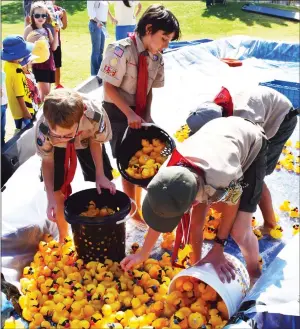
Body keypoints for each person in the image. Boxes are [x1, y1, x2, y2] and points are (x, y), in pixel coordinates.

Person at [121, 116, 268, 283]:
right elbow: (165, 210)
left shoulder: (221, 179)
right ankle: (196, 263)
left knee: (239, 231)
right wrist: (143, 253)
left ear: (192, 203)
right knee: (198, 221)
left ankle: (255, 275)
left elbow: (234, 200)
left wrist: (218, 247)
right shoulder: (166, 172)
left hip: (250, 141)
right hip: (214, 140)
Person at [98, 4, 180, 225]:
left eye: (169, 40)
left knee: (144, 157)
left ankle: (143, 204)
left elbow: (149, 87)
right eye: (164, 38)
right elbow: (109, 88)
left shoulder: (157, 58)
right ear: (149, 29)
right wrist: (128, 114)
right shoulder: (120, 50)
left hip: (139, 112)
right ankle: (133, 211)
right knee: (126, 161)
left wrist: (147, 114)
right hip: (117, 111)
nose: (166, 45)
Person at [184, 86, 298, 233]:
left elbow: (256, 150)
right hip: (261, 111)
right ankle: (235, 215)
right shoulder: (210, 112)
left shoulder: (244, 120)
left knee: (255, 176)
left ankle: (270, 223)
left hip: (282, 118)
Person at [36, 89, 116, 242]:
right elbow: (47, 161)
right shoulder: (43, 128)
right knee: (56, 190)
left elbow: (95, 141)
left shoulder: (94, 116)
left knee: (103, 181)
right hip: (56, 148)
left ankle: (104, 229)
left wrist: (100, 174)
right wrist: (50, 198)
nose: (63, 138)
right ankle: (64, 238)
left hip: (86, 138)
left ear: (80, 119)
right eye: (58, 134)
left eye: (67, 135)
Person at [24, 1, 59, 101]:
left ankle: (39, 113)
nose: (40, 18)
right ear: (32, 16)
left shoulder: (47, 30)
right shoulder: (29, 29)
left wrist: (56, 32)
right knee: (46, 93)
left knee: (43, 94)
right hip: (37, 64)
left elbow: (54, 48)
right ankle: (42, 114)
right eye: (37, 15)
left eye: (43, 15)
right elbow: (24, 47)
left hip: (49, 63)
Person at [1, 35, 35, 134]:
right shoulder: (16, 71)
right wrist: (25, 112)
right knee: (25, 133)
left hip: (15, 110)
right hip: (22, 111)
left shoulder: (8, 65)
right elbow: (19, 95)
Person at [87, 1, 118, 76]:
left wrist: (111, 18)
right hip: (95, 24)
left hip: (103, 25)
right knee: (96, 50)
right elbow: (91, 11)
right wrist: (98, 21)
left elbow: (106, 8)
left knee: (101, 50)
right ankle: (94, 74)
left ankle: (100, 73)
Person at [47, 0, 68, 89]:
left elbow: (64, 26)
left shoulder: (59, 9)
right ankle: (46, 88)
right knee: (46, 66)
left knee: (57, 64)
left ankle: (57, 85)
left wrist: (63, 15)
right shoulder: (42, 9)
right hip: (45, 42)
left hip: (56, 42)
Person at [1, 71, 8, 146]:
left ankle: (2, 146)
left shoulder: (2, 73)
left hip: (3, 104)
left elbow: (4, 89)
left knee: (2, 129)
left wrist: (6, 101)